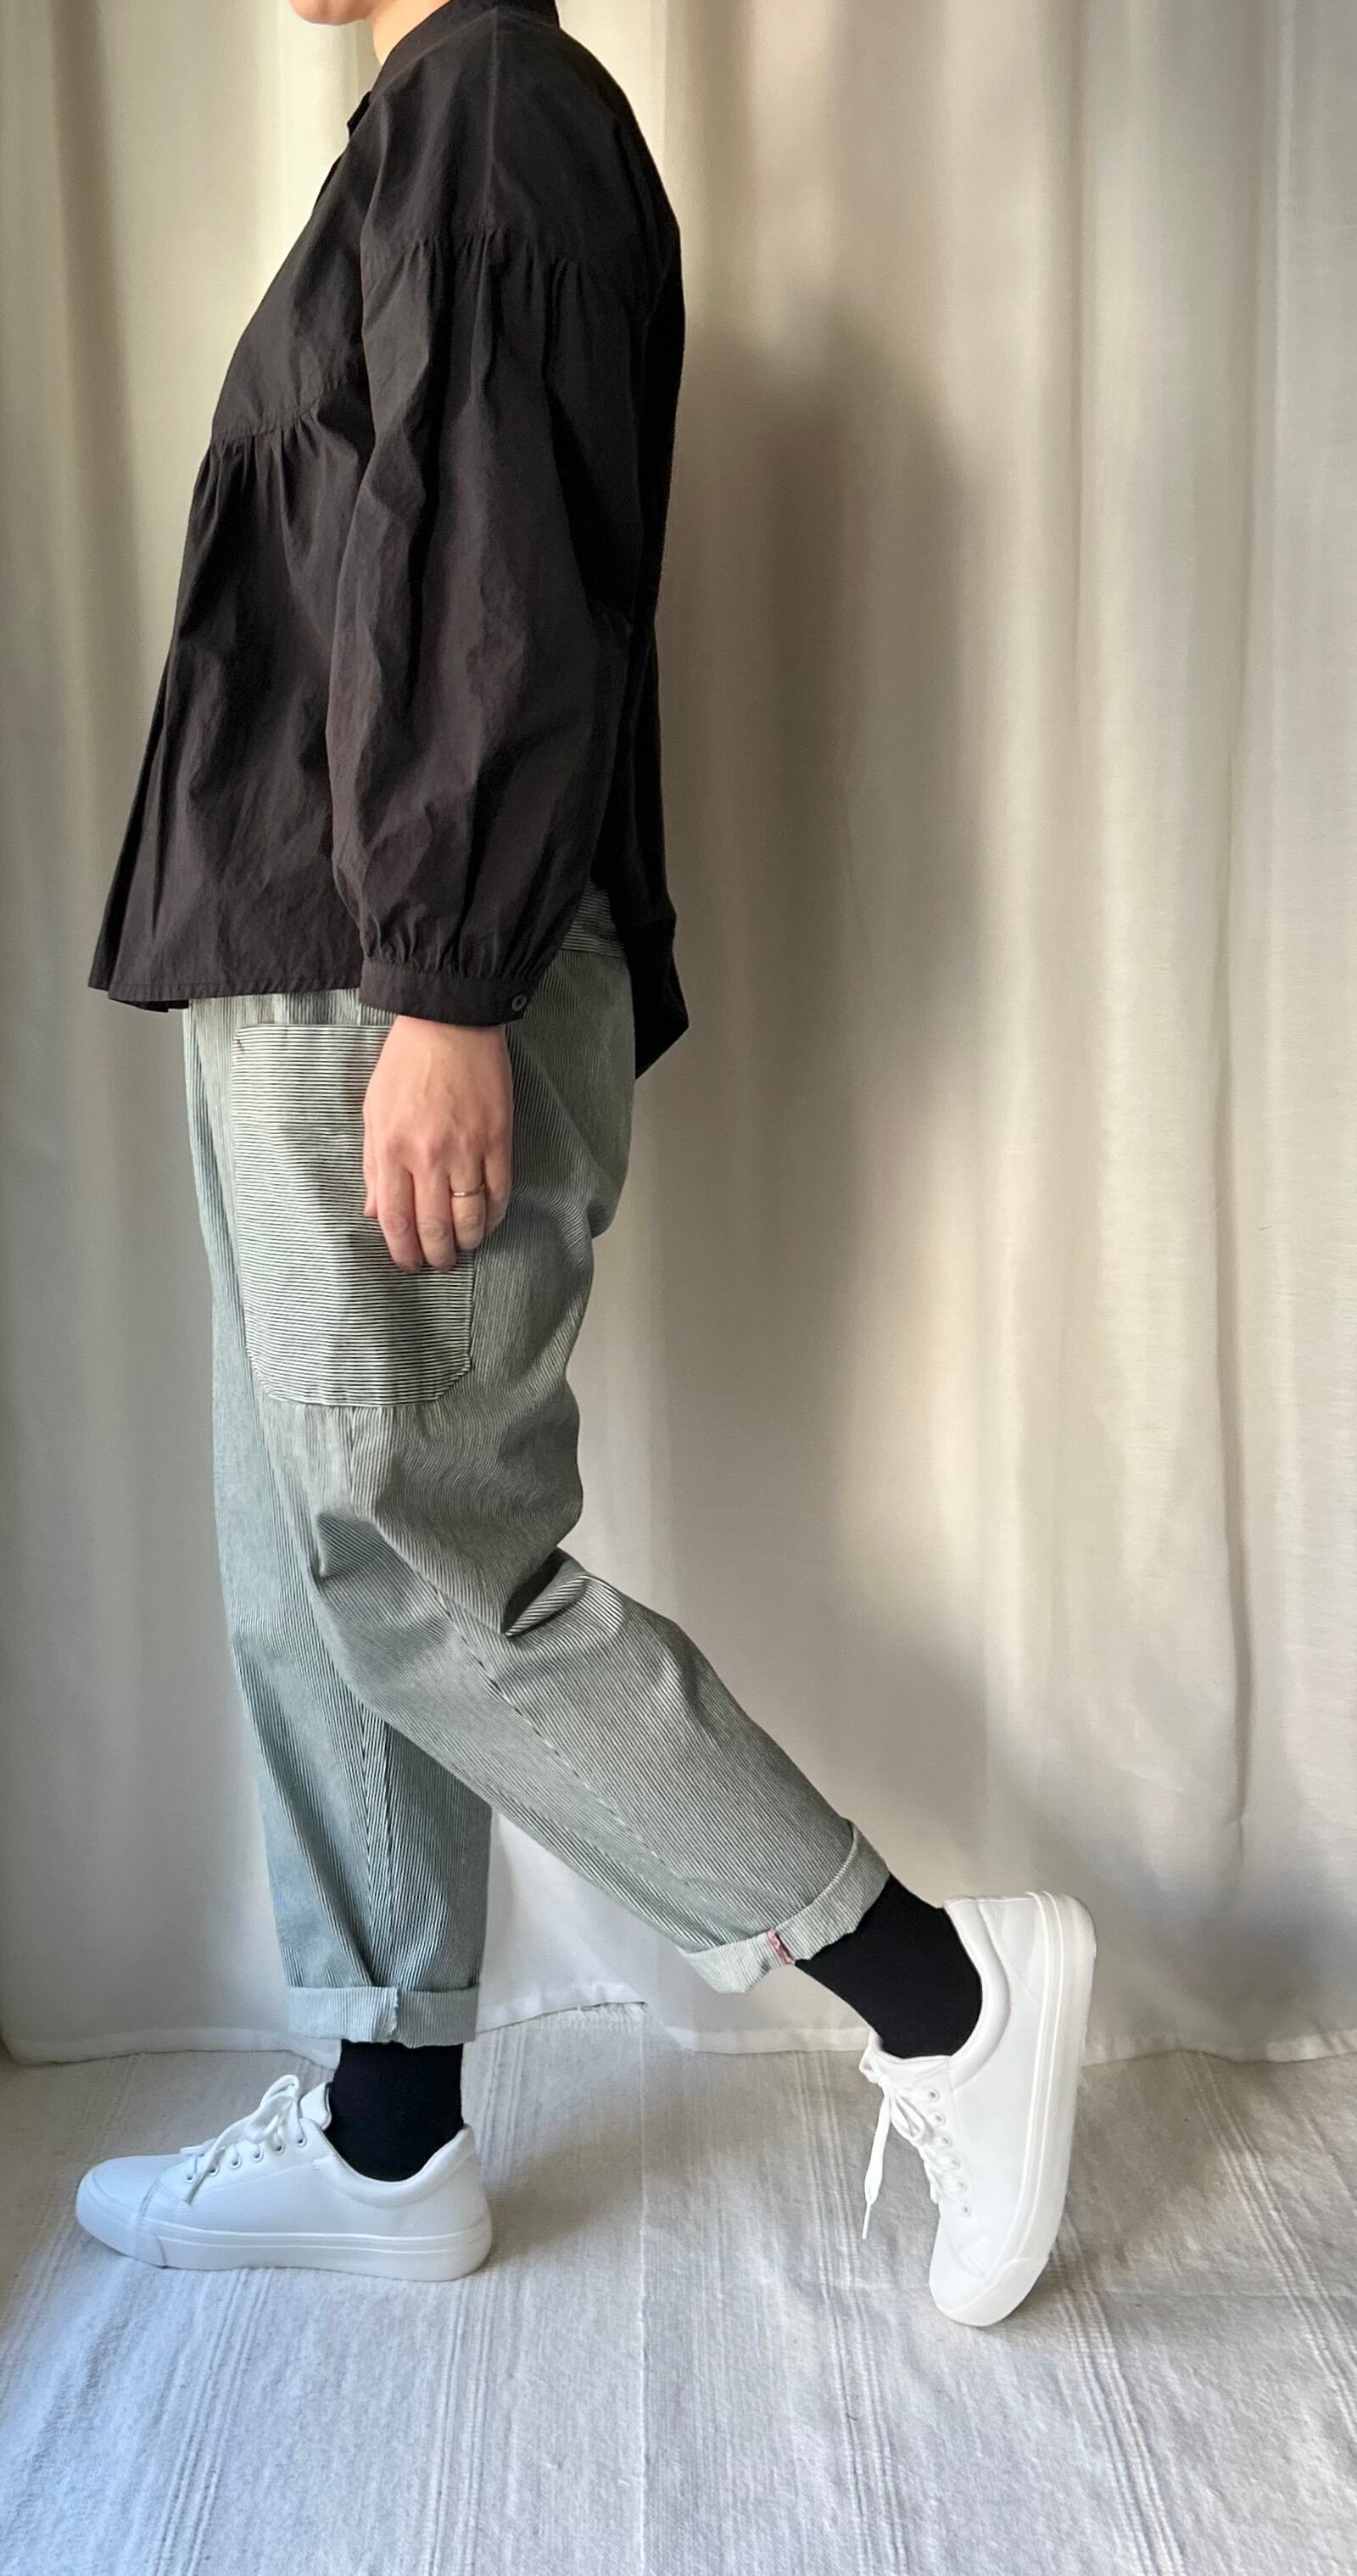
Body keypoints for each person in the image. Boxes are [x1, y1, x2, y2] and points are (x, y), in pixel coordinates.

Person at [75, 0, 1095, 2330]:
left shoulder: (494, 107)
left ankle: (948, 1997)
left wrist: (446, 985)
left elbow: (492, 570)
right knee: (310, 1560)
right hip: (307, 959)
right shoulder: (422, 132)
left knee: (414, 1552)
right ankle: (387, 2132)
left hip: (392, 970)